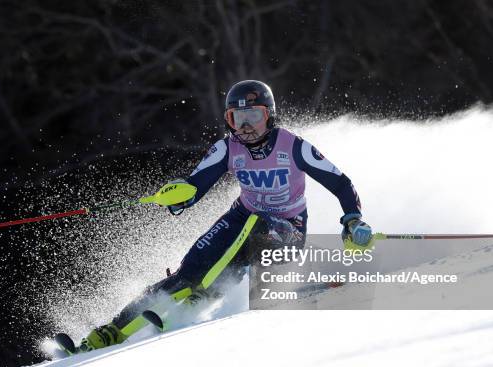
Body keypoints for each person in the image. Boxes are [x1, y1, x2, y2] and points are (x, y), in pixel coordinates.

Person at [69, 80, 373, 352]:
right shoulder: (227, 148)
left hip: (287, 229)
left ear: (269, 115)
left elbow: (340, 182)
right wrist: (179, 198)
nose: (246, 126)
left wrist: (353, 219)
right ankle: (111, 331)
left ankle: (212, 293)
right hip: (242, 216)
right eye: (237, 119)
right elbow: (196, 184)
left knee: (259, 226)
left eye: (254, 117)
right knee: (188, 272)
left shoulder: (293, 146)